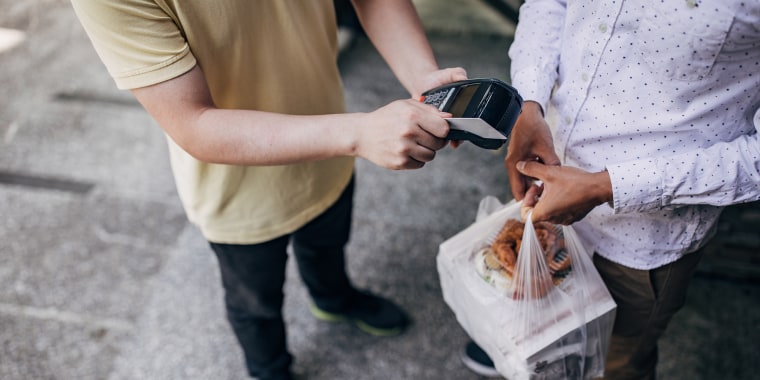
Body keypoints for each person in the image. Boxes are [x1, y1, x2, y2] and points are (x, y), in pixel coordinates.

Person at [69, 1, 467, 379]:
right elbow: (192, 121)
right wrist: (358, 133)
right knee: (255, 305)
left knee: (328, 246)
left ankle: (334, 300)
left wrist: (422, 77)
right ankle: (269, 369)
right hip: (238, 192)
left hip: (332, 149)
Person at [461, 0, 760, 379]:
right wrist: (528, 101)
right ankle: (532, 343)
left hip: (643, 235)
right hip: (549, 173)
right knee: (535, 313)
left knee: (615, 361)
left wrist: (608, 187)